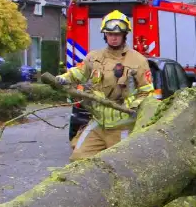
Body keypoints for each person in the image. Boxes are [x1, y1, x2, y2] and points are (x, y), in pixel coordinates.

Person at [55, 11, 154, 161]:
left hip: (123, 127)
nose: (113, 38)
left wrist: (135, 106)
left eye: (118, 34)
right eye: (110, 34)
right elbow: (78, 73)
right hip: (98, 123)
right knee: (78, 158)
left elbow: (147, 92)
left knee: (122, 164)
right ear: (105, 35)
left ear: (124, 35)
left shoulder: (138, 61)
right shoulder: (94, 57)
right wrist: (63, 78)